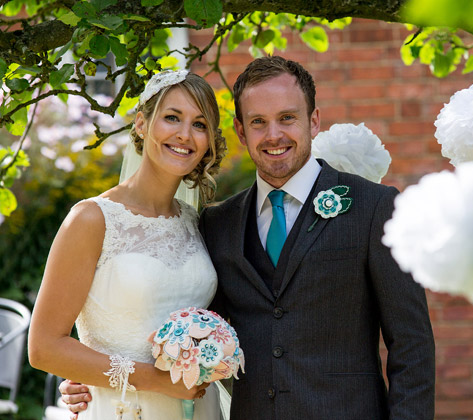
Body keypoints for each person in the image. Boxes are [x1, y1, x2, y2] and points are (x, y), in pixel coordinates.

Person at [62, 56, 435, 419]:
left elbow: (412, 347)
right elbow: (183, 320)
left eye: (287, 118)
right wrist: (91, 376)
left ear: (314, 120)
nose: (274, 135)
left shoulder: (374, 207)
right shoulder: (216, 223)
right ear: (241, 131)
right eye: (259, 122)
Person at [28, 70, 230, 419]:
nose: (185, 134)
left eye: (199, 124)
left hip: (198, 409)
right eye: (172, 118)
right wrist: (153, 379)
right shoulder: (92, 219)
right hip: (122, 409)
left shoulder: (196, 223)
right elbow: (44, 348)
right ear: (140, 124)